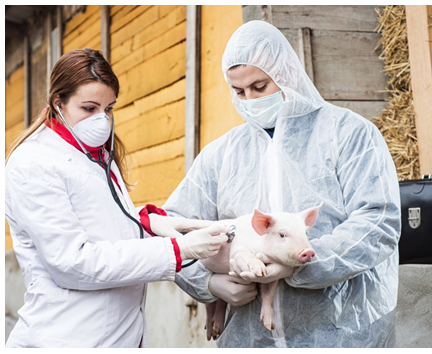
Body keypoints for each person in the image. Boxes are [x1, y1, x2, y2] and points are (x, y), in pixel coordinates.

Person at [163, 21, 401, 348]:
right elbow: (170, 228)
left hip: (342, 334)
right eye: (239, 91)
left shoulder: (349, 134)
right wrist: (210, 283)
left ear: (287, 71)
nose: (249, 100)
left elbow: (378, 222)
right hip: (249, 339)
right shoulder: (221, 155)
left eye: (260, 87)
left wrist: (297, 265)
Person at [4, 48, 229, 348]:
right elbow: (73, 263)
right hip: (67, 339)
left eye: (108, 108)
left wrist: (148, 222)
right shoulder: (34, 163)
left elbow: (101, 222)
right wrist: (177, 250)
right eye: (89, 108)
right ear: (58, 102)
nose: (102, 119)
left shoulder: (96, 156)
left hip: (115, 337)